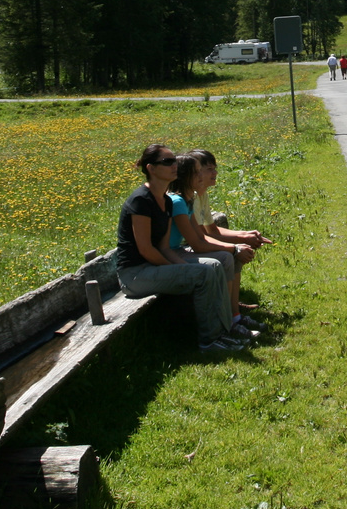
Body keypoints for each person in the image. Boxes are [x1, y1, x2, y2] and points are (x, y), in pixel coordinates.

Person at [114, 144, 250, 353]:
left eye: (174, 161)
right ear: (151, 168)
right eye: (167, 162)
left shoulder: (166, 201)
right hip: (135, 274)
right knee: (205, 272)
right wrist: (177, 268)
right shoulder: (140, 200)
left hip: (154, 265)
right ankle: (209, 341)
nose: (174, 165)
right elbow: (145, 250)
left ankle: (227, 328)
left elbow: (164, 246)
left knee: (213, 266)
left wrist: (182, 266)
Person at [169, 154, 261, 336]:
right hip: (174, 253)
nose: (205, 175)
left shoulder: (189, 199)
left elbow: (207, 233)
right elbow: (198, 241)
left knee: (228, 257)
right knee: (226, 258)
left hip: (180, 250)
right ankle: (225, 322)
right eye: (200, 171)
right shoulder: (180, 201)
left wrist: (242, 238)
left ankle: (233, 316)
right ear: (186, 176)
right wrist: (235, 247)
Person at [187, 148, 271, 315]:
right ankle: (230, 311)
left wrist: (245, 235)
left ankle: (232, 306)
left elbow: (212, 229)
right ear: (195, 172)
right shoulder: (192, 197)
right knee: (231, 255)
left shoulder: (202, 195)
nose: (215, 172)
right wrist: (238, 245)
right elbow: (203, 236)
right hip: (187, 247)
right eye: (209, 169)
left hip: (196, 243)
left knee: (234, 254)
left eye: (215, 168)